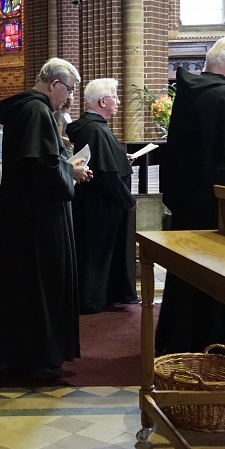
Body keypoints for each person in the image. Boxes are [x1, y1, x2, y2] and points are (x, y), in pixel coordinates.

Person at [156, 36, 225, 356]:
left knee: (187, 271)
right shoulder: (224, 96)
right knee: (218, 270)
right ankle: (216, 343)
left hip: (189, 198)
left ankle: (180, 338)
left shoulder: (188, 94)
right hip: (216, 201)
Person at [0, 57, 90, 379]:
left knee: (26, 284)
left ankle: (24, 352)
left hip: (25, 214)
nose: (70, 97)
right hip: (37, 219)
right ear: (55, 84)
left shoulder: (27, 109)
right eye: (69, 90)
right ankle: (38, 355)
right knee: (39, 283)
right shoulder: (36, 110)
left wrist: (62, 162)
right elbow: (40, 168)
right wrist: (69, 170)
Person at [66, 78, 139, 314]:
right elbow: (106, 174)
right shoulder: (96, 129)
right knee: (97, 253)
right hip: (100, 206)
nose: (118, 101)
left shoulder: (93, 127)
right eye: (115, 97)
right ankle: (92, 299)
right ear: (103, 100)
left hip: (96, 204)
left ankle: (104, 295)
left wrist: (121, 158)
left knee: (99, 252)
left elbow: (102, 161)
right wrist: (128, 201)